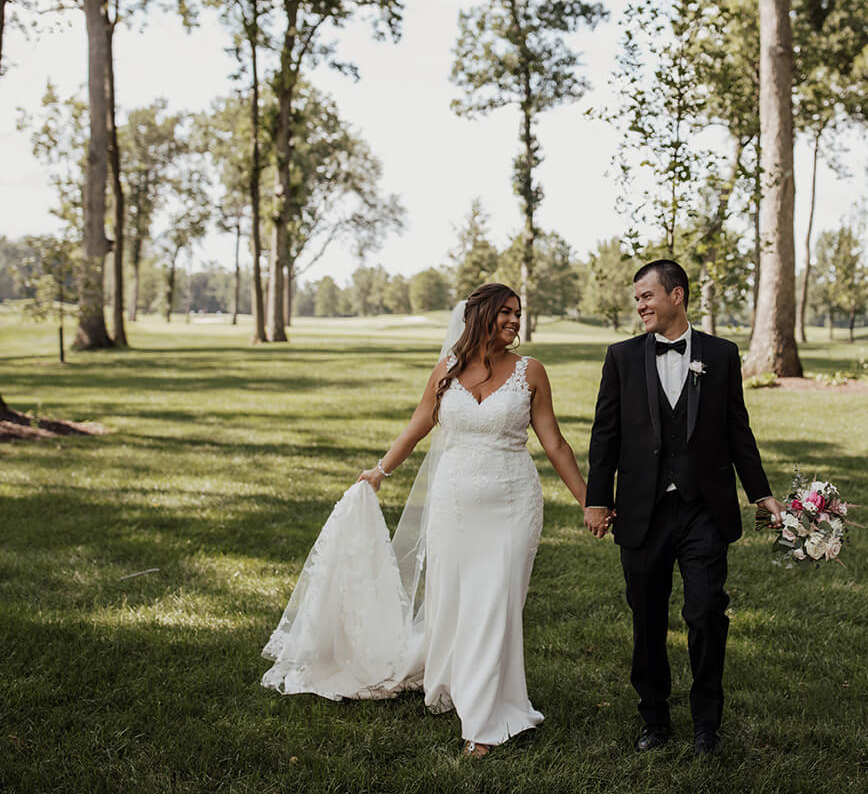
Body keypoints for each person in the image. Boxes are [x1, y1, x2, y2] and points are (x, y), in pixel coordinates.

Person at [262, 283, 588, 758]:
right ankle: (457, 682)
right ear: (479, 317)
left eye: (518, 314)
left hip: (512, 505)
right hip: (453, 507)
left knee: (496, 604)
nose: (516, 322)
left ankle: (483, 719)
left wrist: (588, 501)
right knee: (454, 601)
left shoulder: (531, 372)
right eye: (505, 313)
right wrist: (381, 470)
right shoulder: (446, 373)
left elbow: (555, 443)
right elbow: (418, 424)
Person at [583, 259, 785, 757]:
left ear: (677, 296)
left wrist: (761, 493)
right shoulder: (621, 357)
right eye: (637, 299)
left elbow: (738, 429)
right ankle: (654, 720)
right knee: (647, 619)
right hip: (641, 510)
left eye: (647, 296)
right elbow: (605, 434)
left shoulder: (721, 354)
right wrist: (596, 499)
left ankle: (706, 725)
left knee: (705, 613)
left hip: (703, 511)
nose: (640, 306)